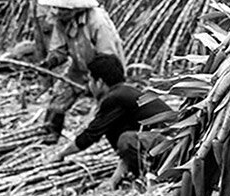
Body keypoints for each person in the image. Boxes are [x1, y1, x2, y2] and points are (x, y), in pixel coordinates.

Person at [47, 52, 172, 188]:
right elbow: (128, 151)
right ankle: (148, 177)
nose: (89, 86)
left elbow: (91, 135)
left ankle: (154, 178)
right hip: (171, 144)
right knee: (125, 138)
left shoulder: (114, 99)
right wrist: (113, 181)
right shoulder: (125, 93)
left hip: (171, 145)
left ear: (99, 82)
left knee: (126, 139)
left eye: (90, 80)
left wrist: (61, 154)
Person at [37, 0, 124, 143]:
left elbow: (107, 57)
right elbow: (59, 49)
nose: (57, 12)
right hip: (78, 69)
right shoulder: (61, 21)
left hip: (104, 73)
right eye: (56, 8)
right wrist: (50, 61)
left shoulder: (97, 22)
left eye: (62, 9)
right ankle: (51, 132)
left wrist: (92, 82)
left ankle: (109, 137)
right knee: (58, 97)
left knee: (108, 106)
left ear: (75, 8)